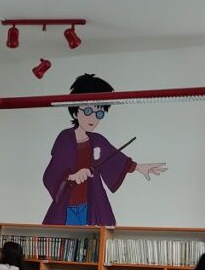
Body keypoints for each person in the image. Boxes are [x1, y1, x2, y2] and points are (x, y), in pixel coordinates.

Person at [42, 73, 167, 226]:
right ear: (75, 111)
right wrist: (72, 176)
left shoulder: (98, 141)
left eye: (99, 113)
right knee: (64, 237)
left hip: (90, 206)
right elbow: (52, 173)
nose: (93, 118)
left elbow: (114, 159)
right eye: (88, 111)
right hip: (66, 207)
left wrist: (140, 167)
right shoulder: (65, 138)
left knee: (93, 238)